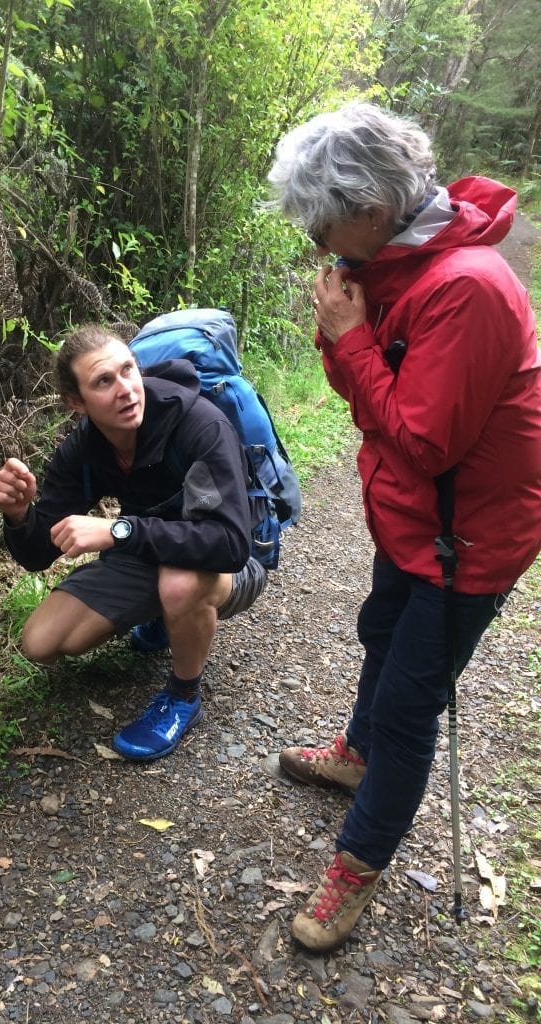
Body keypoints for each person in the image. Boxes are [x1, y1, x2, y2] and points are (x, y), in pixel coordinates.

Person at [266, 101, 541, 952]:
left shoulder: (464, 286)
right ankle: (357, 753)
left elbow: (423, 439)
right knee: (381, 635)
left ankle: (359, 864)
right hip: (418, 517)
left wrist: (347, 336)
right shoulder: (393, 265)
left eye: (323, 222)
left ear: (373, 209)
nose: (316, 242)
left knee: (410, 704)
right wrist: (340, 332)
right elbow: (370, 399)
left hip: (469, 537)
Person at [0, 324, 268, 762]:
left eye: (128, 370)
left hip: (230, 564)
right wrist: (20, 515)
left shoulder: (199, 423)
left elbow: (231, 543)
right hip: (153, 553)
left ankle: (182, 697)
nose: (126, 389)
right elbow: (40, 554)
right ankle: (163, 618)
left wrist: (119, 530)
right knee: (42, 642)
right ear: (76, 403)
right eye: (104, 381)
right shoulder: (82, 448)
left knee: (179, 584)